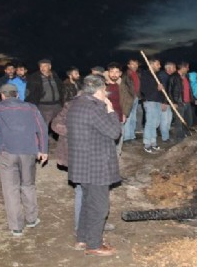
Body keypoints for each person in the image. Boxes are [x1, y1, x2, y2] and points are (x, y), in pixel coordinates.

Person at [67, 75, 122, 256]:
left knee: (87, 203)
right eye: (104, 90)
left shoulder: (76, 104)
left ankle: (83, 238)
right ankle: (94, 245)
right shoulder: (94, 109)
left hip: (82, 163)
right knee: (99, 206)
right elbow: (114, 132)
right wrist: (111, 110)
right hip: (96, 164)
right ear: (99, 91)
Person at [0, 84, 48, 237]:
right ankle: (32, 218)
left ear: (2, 95)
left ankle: (16, 226)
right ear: (17, 95)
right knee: (28, 185)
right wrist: (43, 149)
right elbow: (42, 127)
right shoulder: (31, 108)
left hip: (6, 153)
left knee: (10, 189)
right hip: (28, 151)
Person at [25, 59, 63, 130]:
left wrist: (62, 103)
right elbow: (29, 94)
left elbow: (61, 90)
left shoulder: (55, 76)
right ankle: (44, 140)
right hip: (43, 107)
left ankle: (57, 140)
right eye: (41, 66)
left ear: (50, 67)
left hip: (57, 106)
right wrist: (31, 107)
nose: (42, 68)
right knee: (43, 127)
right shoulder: (34, 78)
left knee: (59, 126)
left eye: (45, 66)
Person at [167, 61, 197, 142]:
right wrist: (173, 102)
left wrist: (194, 100)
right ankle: (179, 138)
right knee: (179, 122)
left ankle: (186, 133)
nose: (188, 69)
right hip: (179, 102)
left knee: (189, 120)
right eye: (187, 67)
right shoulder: (173, 77)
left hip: (187, 102)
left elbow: (189, 90)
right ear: (183, 68)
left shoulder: (186, 77)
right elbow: (169, 91)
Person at [140, 57, 163, 153]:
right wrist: (156, 88)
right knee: (150, 122)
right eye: (158, 64)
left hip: (157, 101)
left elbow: (160, 90)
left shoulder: (157, 75)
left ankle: (153, 142)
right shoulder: (146, 75)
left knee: (156, 123)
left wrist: (162, 100)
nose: (160, 66)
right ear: (152, 64)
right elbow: (144, 90)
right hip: (150, 101)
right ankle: (147, 144)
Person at [106, 62, 126, 155]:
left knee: (120, 137)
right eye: (112, 71)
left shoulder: (122, 86)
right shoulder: (103, 86)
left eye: (117, 72)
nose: (114, 74)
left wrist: (125, 113)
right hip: (107, 117)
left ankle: (117, 156)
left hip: (120, 116)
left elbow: (125, 101)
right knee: (108, 139)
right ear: (108, 72)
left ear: (120, 73)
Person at [121, 58, 141, 142]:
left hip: (136, 98)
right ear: (128, 65)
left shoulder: (137, 74)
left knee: (133, 118)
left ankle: (132, 136)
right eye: (133, 64)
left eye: (136, 64)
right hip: (128, 99)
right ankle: (126, 137)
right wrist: (127, 98)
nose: (135, 66)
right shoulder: (125, 75)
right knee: (128, 118)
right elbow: (123, 89)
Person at [157, 62, 176, 143]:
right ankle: (165, 138)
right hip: (163, 101)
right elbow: (163, 91)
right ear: (168, 68)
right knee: (165, 120)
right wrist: (164, 102)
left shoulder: (169, 76)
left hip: (168, 101)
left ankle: (165, 135)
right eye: (174, 67)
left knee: (168, 119)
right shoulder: (163, 76)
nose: (175, 69)